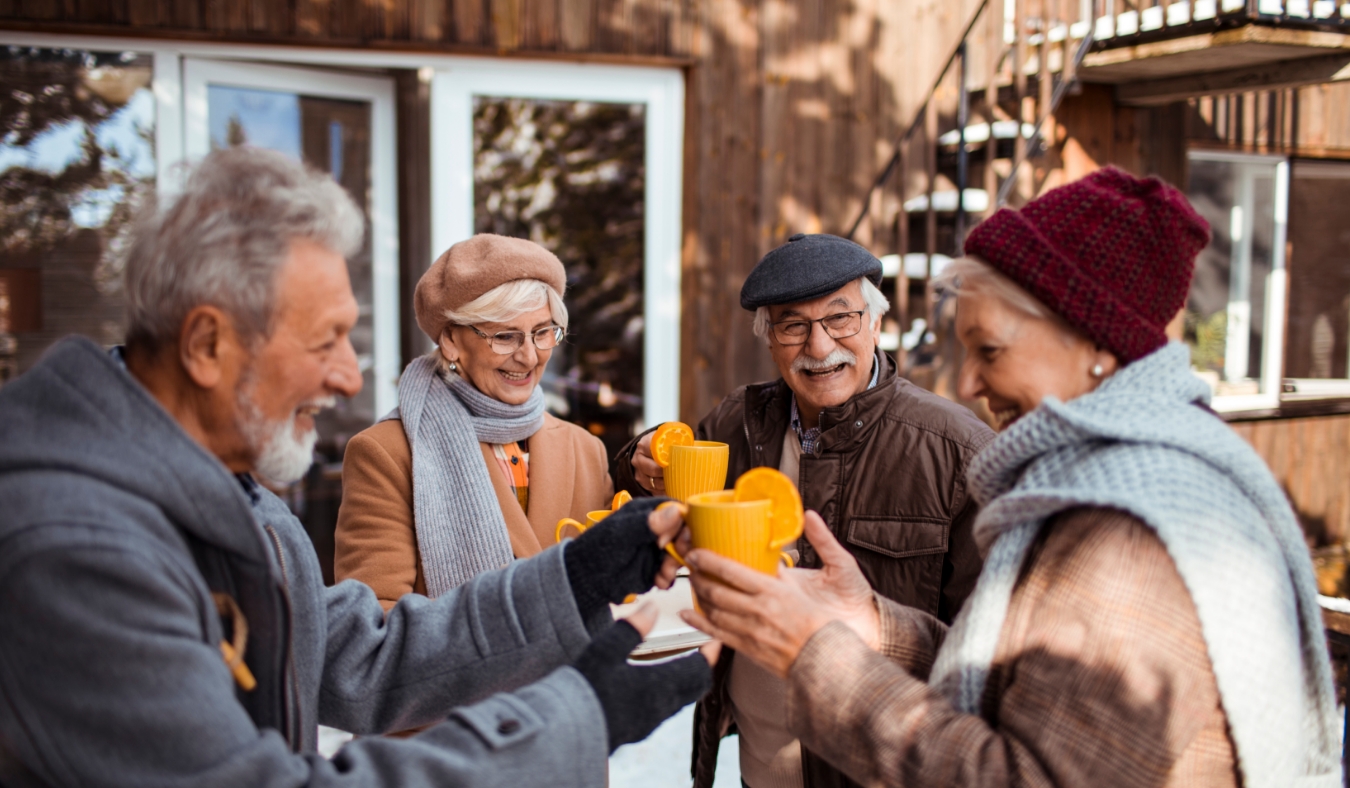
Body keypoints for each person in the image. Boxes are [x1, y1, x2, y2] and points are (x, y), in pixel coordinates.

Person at [0, 147, 714, 787]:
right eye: (326, 341)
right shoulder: (76, 552)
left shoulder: (231, 490)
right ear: (208, 345)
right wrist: (574, 719)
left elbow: (364, 656)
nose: (348, 377)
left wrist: (575, 574)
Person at [678, 168, 1341, 787]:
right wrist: (872, 624)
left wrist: (819, 656)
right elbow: (1012, 677)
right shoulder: (1111, 477)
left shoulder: (1125, 534)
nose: (967, 382)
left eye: (988, 350)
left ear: (1095, 343)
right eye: (794, 327)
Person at [612, 233, 994, 788]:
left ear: (874, 323)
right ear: (770, 340)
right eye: (793, 326)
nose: (819, 348)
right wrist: (641, 455)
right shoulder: (739, 422)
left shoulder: (958, 451)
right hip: (758, 767)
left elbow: (986, 655)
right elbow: (650, 491)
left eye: (840, 319)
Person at [334, 234, 612, 608]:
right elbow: (374, 625)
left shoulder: (586, 450)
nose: (529, 356)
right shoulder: (384, 454)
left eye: (543, 332)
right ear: (450, 340)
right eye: (505, 336)